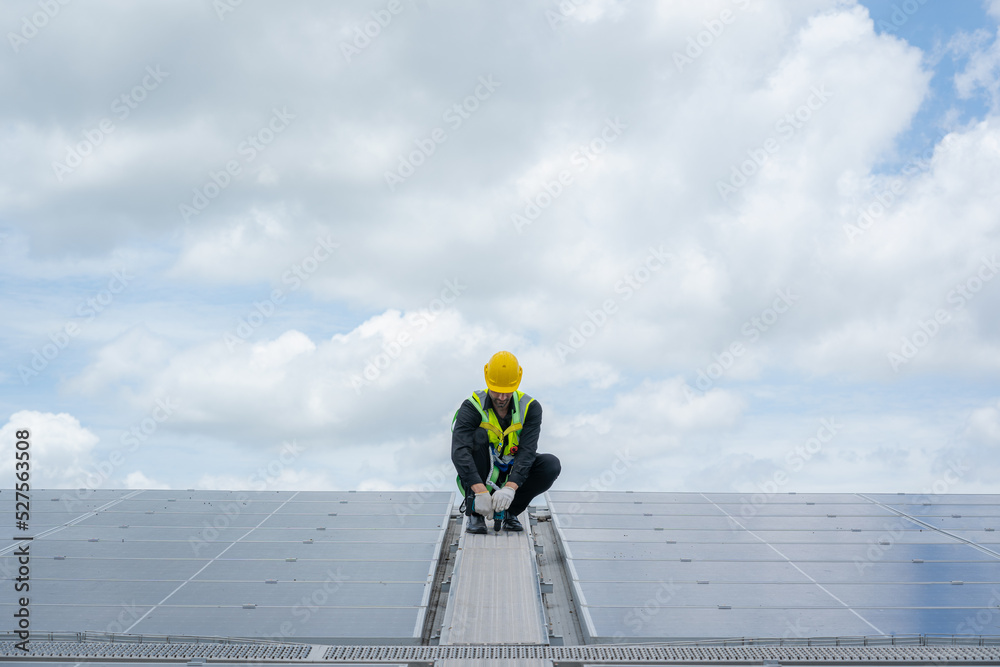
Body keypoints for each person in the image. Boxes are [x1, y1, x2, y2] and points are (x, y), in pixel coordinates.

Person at [451, 351, 561, 534]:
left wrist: (510, 488)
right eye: (496, 391)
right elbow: (459, 451)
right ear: (487, 381)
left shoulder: (530, 407)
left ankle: (510, 512)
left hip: (512, 474)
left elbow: (527, 451)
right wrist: (479, 490)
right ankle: (475, 513)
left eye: (507, 392)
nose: (502, 398)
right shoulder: (472, 406)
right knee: (477, 435)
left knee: (550, 465)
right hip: (480, 478)